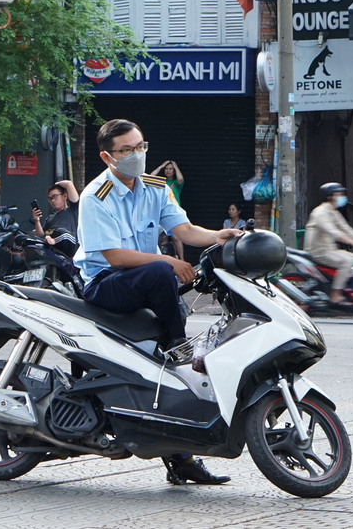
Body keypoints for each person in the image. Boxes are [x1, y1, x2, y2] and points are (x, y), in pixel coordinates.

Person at [75, 119, 240, 487]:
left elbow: (184, 231)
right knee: (165, 279)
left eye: (140, 146)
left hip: (145, 283)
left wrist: (220, 235)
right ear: (107, 156)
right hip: (105, 284)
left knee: (167, 373)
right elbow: (115, 257)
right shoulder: (95, 196)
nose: (137, 155)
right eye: (126, 150)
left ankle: (182, 458)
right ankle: (178, 345)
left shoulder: (155, 187)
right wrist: (169, 262)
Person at [303, 182, 353, 305]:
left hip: (330, 250)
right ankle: (335, 295)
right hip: (319, 252)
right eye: (338, 194)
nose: (342, 197)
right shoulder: (320, 213)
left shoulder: (333, 212)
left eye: (342, 194)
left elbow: (346, 229)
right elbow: (335, 233)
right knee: (346, 262)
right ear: (330, 196)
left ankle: (350, 291)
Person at [31, 180, 80, 257]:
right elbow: (40, 235)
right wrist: (37, 220)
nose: (52, 200)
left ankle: (54, 241)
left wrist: (56, 184)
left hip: (70, 246)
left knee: (62, 232)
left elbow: (69, 184)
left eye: (55, 196)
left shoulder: (73, 210)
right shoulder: (50, 218)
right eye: (50, 199)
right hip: (54, 252)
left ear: (65, 196)